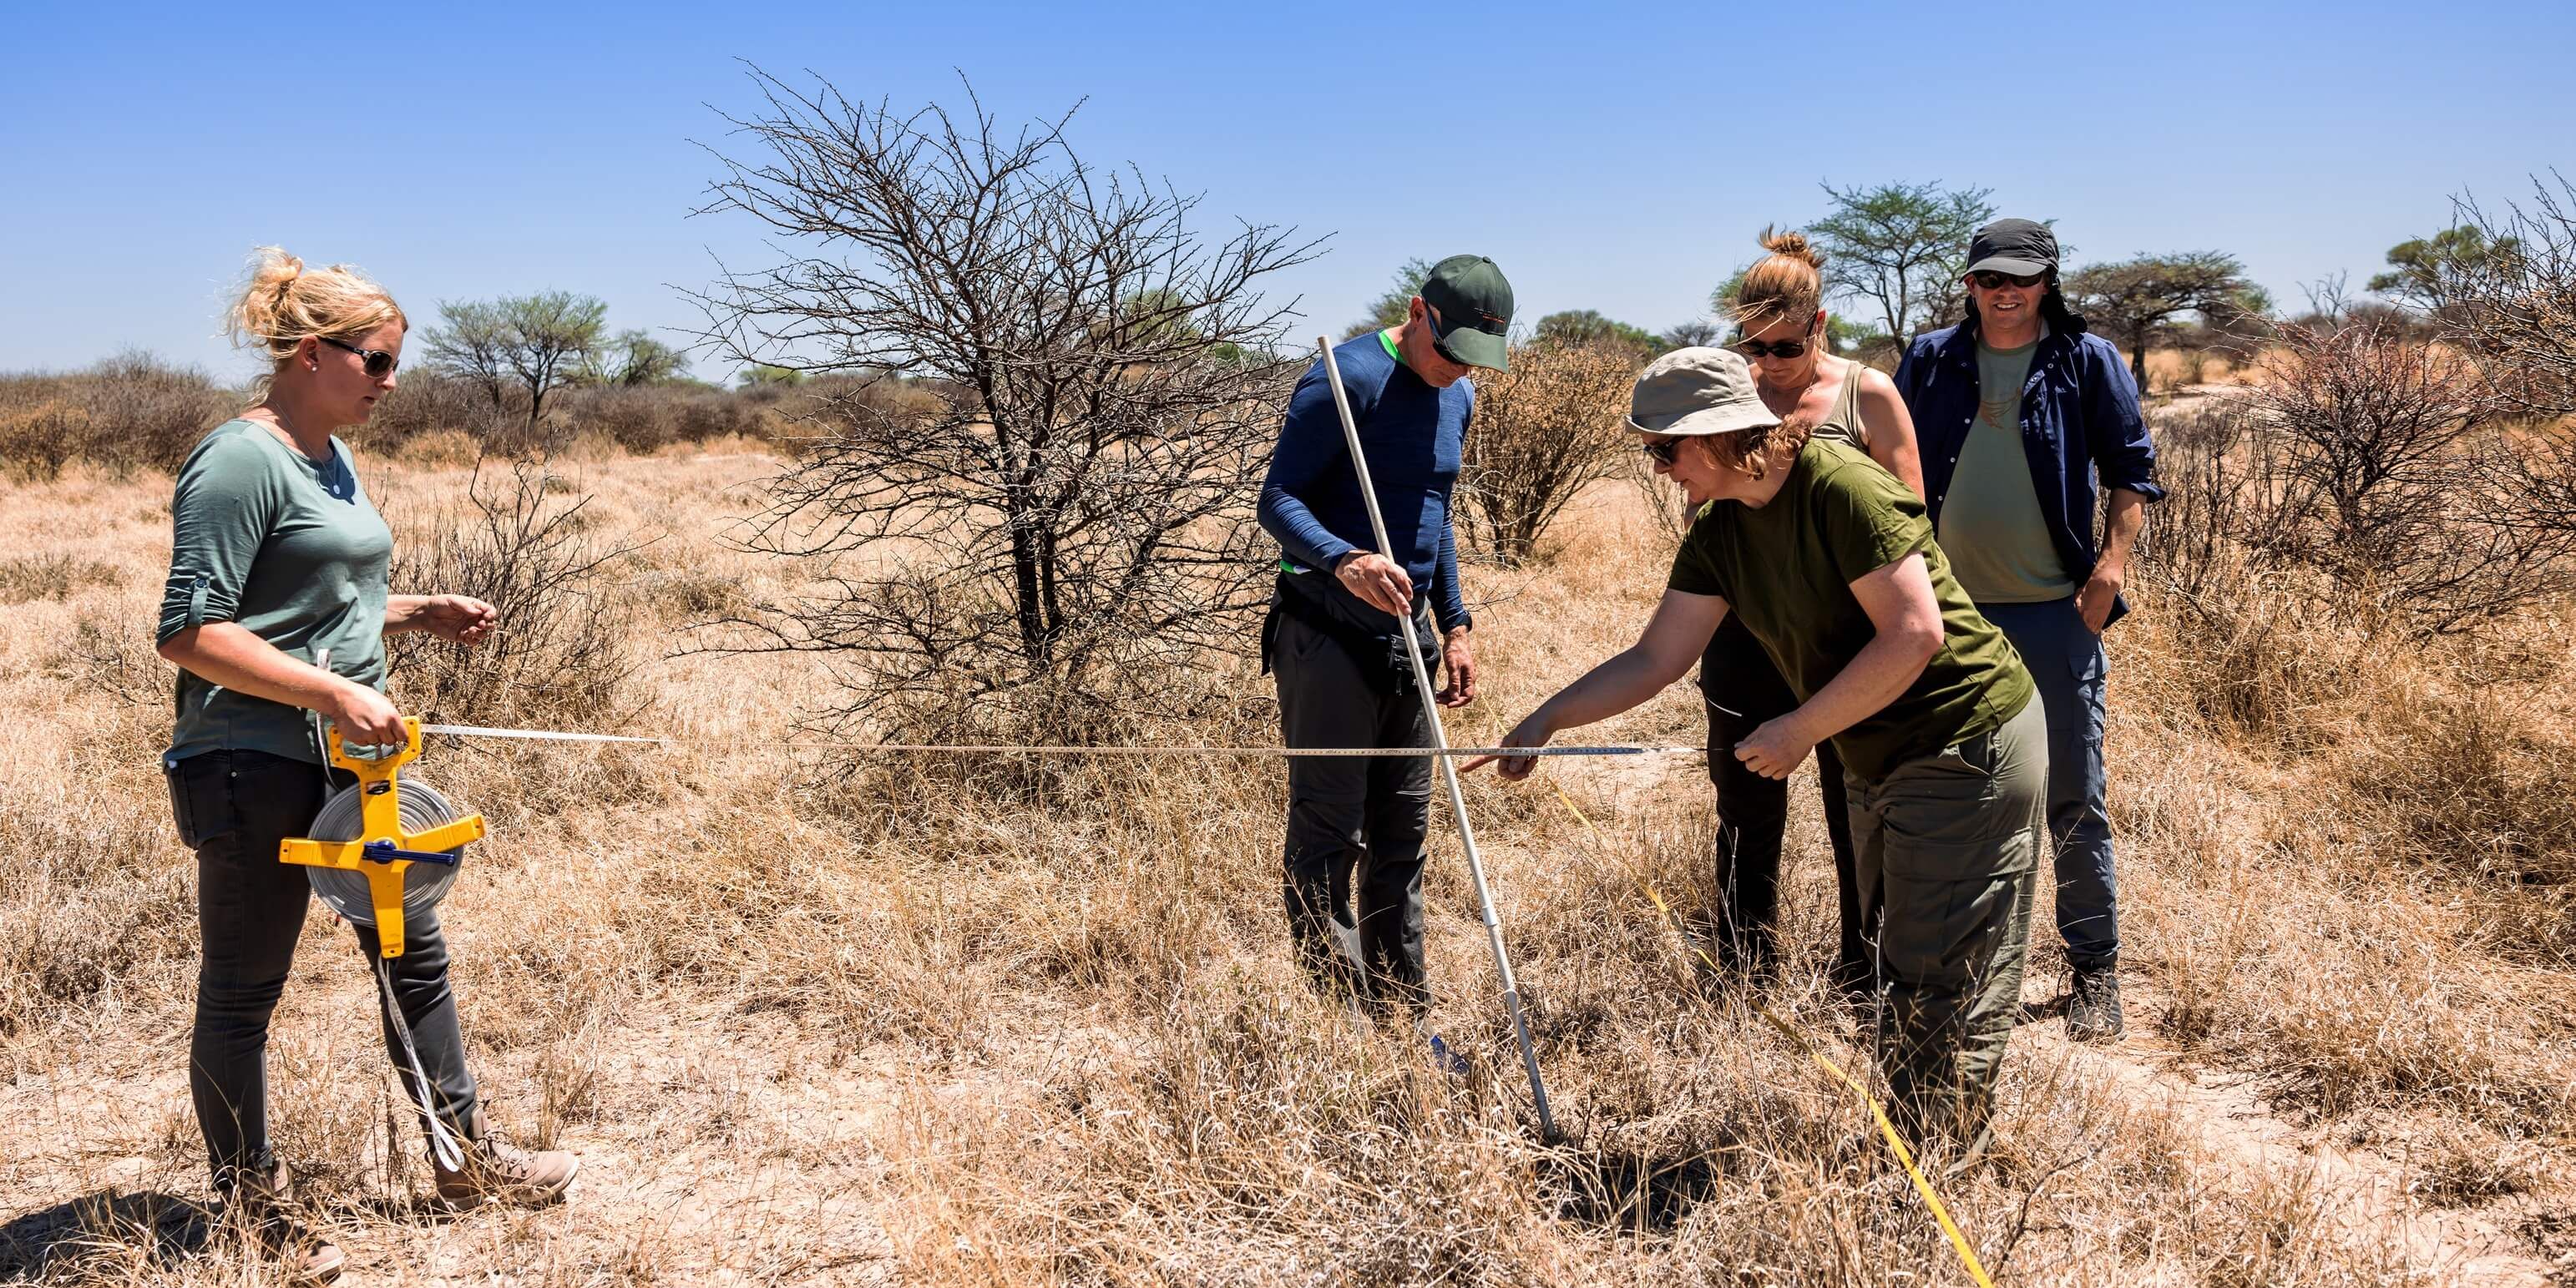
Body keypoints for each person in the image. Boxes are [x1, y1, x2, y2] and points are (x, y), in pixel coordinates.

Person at [1471, 346, 2043, 1153]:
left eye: (1661, 449)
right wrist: (1545, 718)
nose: (1661, 470)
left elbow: (1915, 634)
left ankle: (1938, 1165)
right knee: (1901, 961)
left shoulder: (1840, 486)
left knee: (1940, 969)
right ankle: (1916, 1141)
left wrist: (1800, 727)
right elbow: (1654, 658)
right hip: (1877, 751)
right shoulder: (1718, 530)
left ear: (1709, 436)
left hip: (1963, 737)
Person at [156, 249, 578, 1280]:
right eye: (378, 362)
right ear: (312, 354)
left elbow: (307, 607)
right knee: (244, 991)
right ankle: (251, 1215)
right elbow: (191, 630)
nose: (392, 381)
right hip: (251, 763)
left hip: (349, 767)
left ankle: (463, 1159)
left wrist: (411, 612)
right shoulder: (240, 459)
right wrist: (335, 689)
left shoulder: (329, 455)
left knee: (413, 957)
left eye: (395, 363)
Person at [1893, 219, 2161, 1041]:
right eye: (1988, 279)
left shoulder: (2087, 360)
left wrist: (2107, 572)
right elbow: (1887, 467)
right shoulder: (1931, 358)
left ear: (2048, 281)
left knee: (2074, 799)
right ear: (1967, 283)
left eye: (2021, 278)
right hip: (1948, 621)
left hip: (2053, 615)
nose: (2004, 293)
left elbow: (2130, 473)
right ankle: (1957, 966)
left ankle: (2094, 971)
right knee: (1950, 798)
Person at [1255, 254, 1511, 1058]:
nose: (1459, 370)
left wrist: (1457, 624)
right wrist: (1344, 560)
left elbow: (1434, 516)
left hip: (1412, 642)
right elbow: (1277, 499)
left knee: (1403, 832)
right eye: (1450, 350)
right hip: (1327, 632)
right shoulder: (1347, 378)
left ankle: (1402, 1016)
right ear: (1417, 313)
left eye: (1476, 357)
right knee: (1330, 831)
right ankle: (1333, 1021)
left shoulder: (1459, 394)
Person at [1705, 229, 1925, 993]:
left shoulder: (1868, 393)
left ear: (1820, 325)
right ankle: (1742, 966)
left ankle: (1864, 966)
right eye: (1751, 346)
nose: (1764, 365)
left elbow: (1908, 522)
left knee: (1853, 804)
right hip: (1745, 630)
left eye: (1784, 348)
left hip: (1843, 642)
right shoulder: (1728, 392)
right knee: (1744, 799)